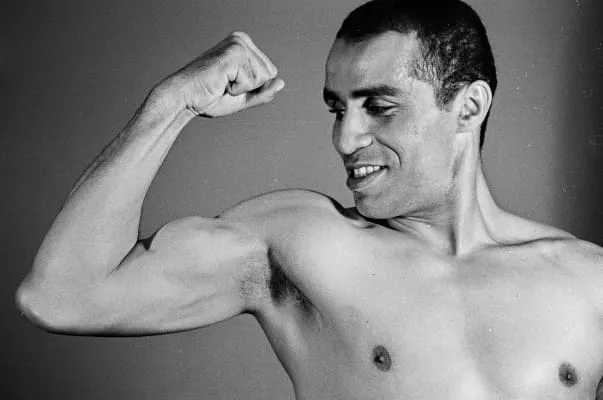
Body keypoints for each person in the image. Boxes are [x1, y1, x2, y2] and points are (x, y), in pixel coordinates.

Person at [15, 0, 603, 398]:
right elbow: (63, 298)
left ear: (468, 107)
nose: (345, 139)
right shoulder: (306, 245)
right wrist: (172, 104)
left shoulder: (589, 281)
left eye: (379, 107)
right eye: (337, 109)